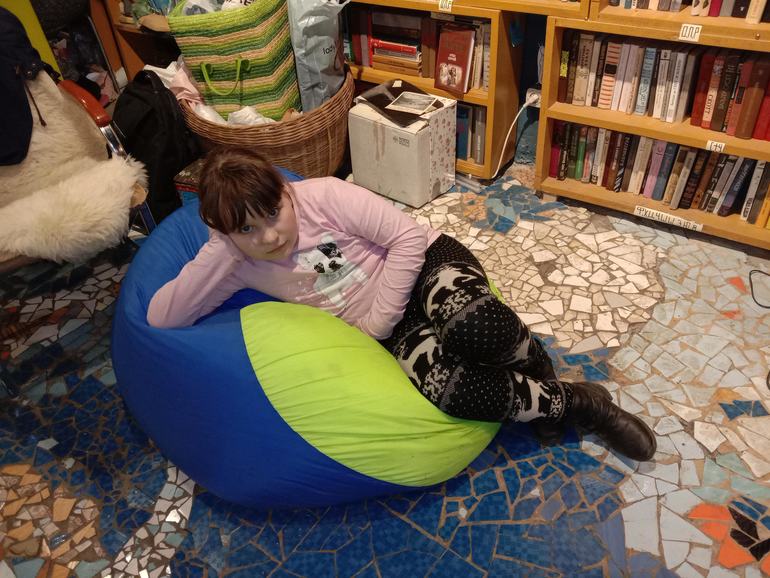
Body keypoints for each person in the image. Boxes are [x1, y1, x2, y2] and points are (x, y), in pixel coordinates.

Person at [147, 147, 656, 462]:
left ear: (285, 190)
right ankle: (581, 404)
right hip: (393, 328)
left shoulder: (322, 197)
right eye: (246, 229)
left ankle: (539, 368)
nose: (270, 236)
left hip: (424, 263)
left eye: (273, 213)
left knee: (473, 326)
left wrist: (376, 322)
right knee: (451, 391)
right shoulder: (234, 257)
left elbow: (408, 239)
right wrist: (223, 247)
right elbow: (163, 316)